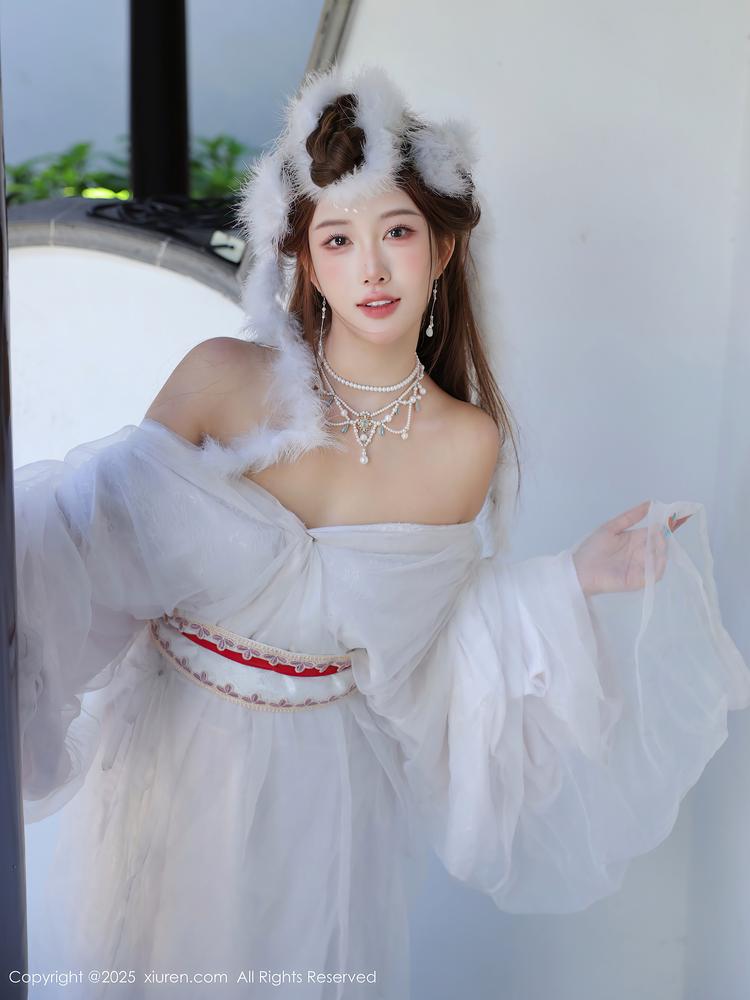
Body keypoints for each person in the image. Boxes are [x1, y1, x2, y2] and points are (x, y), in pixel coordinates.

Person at [13, 64, 750, 1000]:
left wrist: (574, 582)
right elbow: (83, 543)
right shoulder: (221, 379)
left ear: (441, 249)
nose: (370, 268)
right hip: (174, 760)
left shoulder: (465, 445)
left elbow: (433, 646)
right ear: (307, 259)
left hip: (328, 790)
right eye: (338, 238)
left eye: (396, 232)